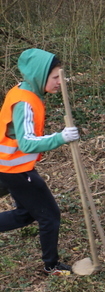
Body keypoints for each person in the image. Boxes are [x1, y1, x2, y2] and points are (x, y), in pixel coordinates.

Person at [0, 48, 79, 276]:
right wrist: (61, 137)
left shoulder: (25, 91)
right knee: (49, 215)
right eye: (55, 77)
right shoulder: (24, 102)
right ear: (39, 75)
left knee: (27, 213)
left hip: (9, 166)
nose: (60, 82)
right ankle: (51, 265)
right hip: (15, 168)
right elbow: (26, 143)